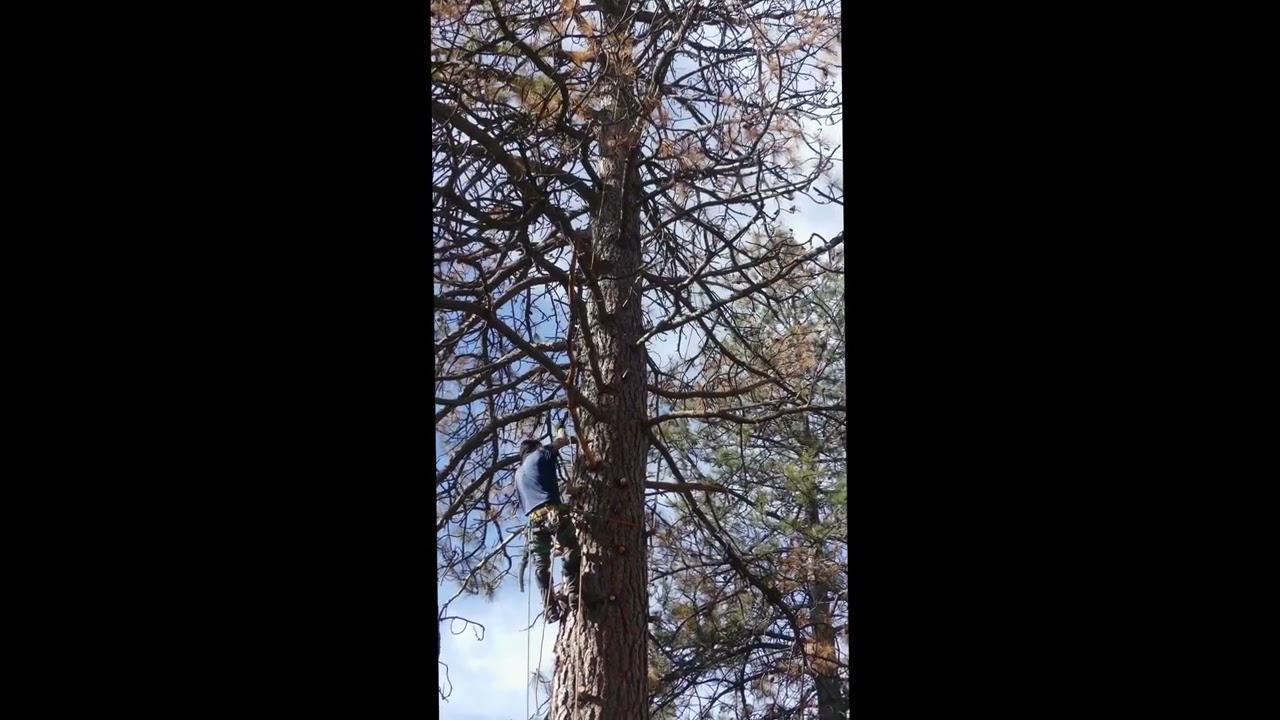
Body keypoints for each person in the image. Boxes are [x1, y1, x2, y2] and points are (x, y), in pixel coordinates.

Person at [516, 436, 581, 623]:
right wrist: (565, 437)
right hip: (553, 513)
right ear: (535, 447)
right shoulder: (539, 454)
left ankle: (550, 608)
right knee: (570, 547)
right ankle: (573, 592)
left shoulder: (518, 473)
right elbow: (557, 444)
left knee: (541, 566)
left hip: (534, 522)